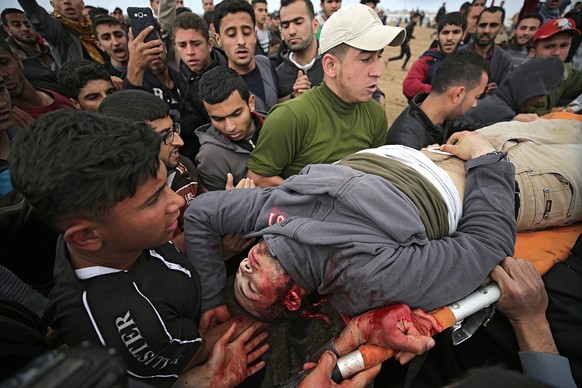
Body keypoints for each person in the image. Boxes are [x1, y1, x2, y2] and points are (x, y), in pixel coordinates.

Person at [9, 109, 270, 386]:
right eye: (153, 200)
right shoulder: (132, 325)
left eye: (164, 185)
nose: (177, 203)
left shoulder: (107, 238)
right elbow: (201, 350)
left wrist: (208, 292)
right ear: (86, 236)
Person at [245, 4, 404, 187]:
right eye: (366, 59)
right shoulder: (289, 118)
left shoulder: (375, 114)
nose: (378, 71)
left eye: (379, 57)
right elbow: (258, 179)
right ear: (330, 65)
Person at [98, 90, 199, 251]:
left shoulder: (184, 167)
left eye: (174, 130)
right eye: (164, 136)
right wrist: (198, 238)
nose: (179, 142)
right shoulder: (113, 202)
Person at [387, 50, 489, 149]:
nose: (475, 104)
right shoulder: (405, 145)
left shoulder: (438, 118)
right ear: (458, 94)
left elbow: (468, 127)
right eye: (476, 97)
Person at [196, 66, 265, 191]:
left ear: (251, 103)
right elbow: (213, 207)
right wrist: (231, 202)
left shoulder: (276, 124)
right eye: (218, 119)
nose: (230, 127)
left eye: (236, 114)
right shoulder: (210, 157)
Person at [172, 11, 228, 160]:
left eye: (196, 44)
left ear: (209, 44)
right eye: (182, 45)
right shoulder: (175, 76)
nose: (190, 52)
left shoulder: (229, 69)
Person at [454, 56, 564, 128]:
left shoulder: (497, 102)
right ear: (529, 91)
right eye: (541, 95)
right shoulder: (504, 114)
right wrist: (511, 124)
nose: (540, 100)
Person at [212, 0, 278, 115]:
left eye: (247, 33)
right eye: (231, 35)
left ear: (255, 35)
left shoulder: (266, 63)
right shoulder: (219, 87)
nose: (241, 41)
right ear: (218, 39)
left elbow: (276, 103)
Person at [0, 39, 71, 126]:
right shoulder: (11, 122)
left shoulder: (52, 81)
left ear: (17, 60)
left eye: (4, 63)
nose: (3, 74)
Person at [17, 0, 105, 69]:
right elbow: (34, 12)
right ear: (53, 5)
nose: (66, 1)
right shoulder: (56, 30)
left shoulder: (96, 28)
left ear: (82, 3)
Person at [402, 11, 467, 101]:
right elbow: (409, 86)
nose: (449, 38)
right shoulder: (427, 61)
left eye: (456, 32)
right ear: (437, 35)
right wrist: (444, 92)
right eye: (445, 32)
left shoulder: (467, 60)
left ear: (463, 35)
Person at [124, 25, 183, 120]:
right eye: (145, 50)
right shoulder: (136, 82)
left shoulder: (182, 77)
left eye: (156, 46)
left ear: (165, 48)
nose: (153, 53)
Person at [526, 17, 582, 114]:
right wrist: (551, 114)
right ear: (532, 53)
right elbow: (525, 113)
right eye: (549, 46)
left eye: (564, 45)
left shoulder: (565, 73)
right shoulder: (523, 79)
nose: (557, 52)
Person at [460, 6, 514, 95]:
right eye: (482, 25)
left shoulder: (505, 60)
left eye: (493, 25)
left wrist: (497, 92)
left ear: (500, 28)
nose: (486, 30)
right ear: (476, 26)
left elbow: (507, 94)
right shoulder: (459, 54)